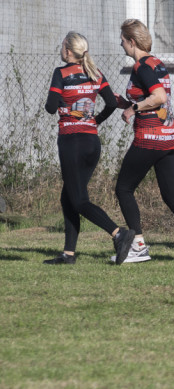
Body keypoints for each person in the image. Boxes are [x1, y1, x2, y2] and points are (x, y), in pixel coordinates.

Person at [114, 19, 174, 264]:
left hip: (150, 139)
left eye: (123, 40)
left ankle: (137, 247)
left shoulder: (141, 67)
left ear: (132, 41)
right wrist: (126, 104)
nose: (121, 44)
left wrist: (132, 108)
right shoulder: (157, 63)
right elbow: (156, 98)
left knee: (124, 189)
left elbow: (157, 97)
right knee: (171, 196)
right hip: (171, 139)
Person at [43, 31, 134, 265]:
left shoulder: (61, 73)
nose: (60, 49)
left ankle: (118, 233)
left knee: (79, 200)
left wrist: (62, 102)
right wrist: (94, 121)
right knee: (68, 198)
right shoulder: (95, 72)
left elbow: (51, 107)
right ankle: (69, 254)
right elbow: (112, 103)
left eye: (62, 46)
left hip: (71, 141)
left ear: (69, 51)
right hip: (91, 142)